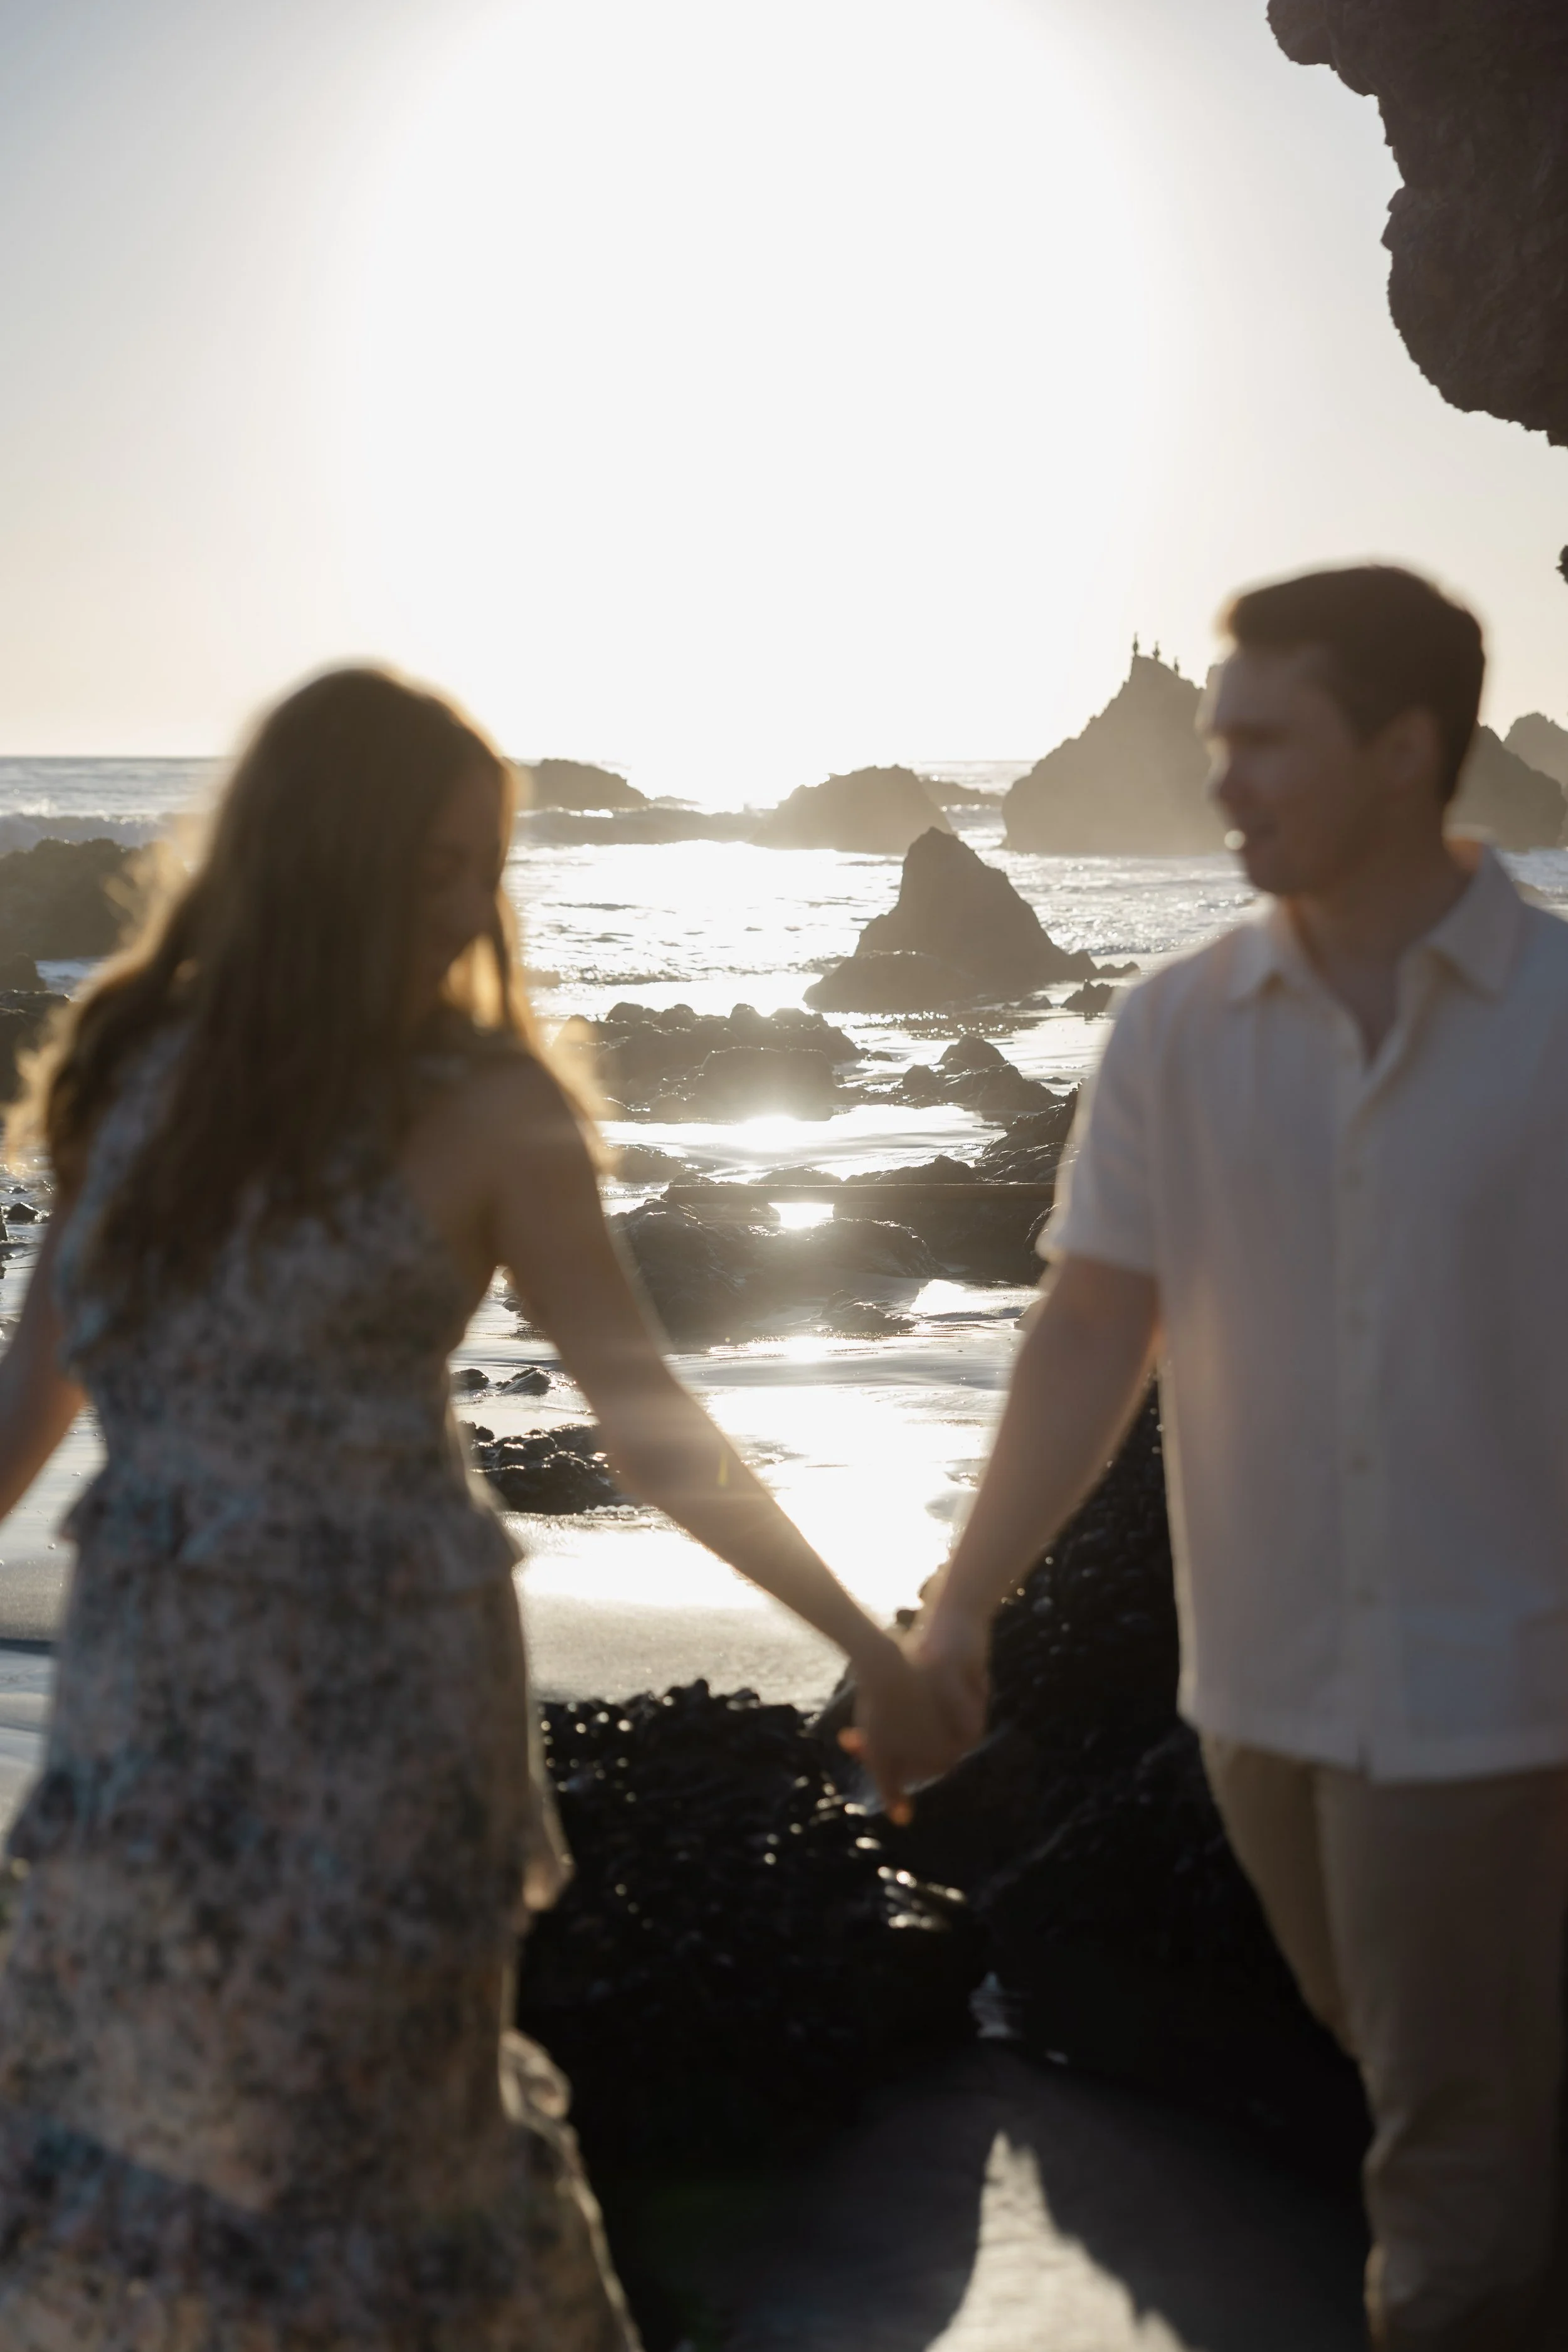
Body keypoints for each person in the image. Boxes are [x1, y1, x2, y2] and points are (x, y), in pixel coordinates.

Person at [0, 665, 934, 2348]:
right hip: (146, 1719)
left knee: (389, 2171)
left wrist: (871, 1641)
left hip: (390, 1724)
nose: (467, 899)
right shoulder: (124, 1070)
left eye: (482, 859)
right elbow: (26, 1410)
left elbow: (652, 1433)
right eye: (432, 858)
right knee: (138, 2161)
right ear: (320, 851)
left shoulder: (492, 1107)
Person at [859, 565, 1568, 2351]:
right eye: (1214, 740)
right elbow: (1091, 1332)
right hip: (1253, 1695)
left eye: (1264, 740)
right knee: (1425, 2073)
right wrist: (955, 1615)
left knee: (1446, 2162)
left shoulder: (1558, 1021)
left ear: (1406, 750)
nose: (1224, 779)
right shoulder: (1172, 1028)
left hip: (1503, 1699)